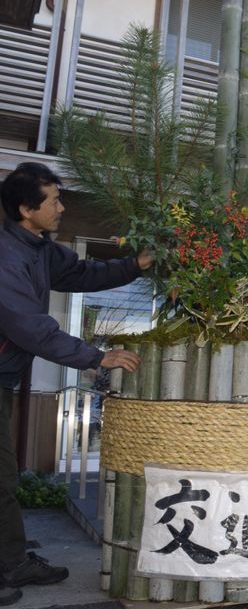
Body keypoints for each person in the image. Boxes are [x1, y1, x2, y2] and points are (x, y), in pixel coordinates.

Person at [0, 163, 150, 603]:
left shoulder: (40, 250)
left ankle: (13, 562)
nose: (62, 208)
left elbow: (85, 274)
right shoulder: (7, 257)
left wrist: (137, 265)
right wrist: (96, 356)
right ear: (27, 209)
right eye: (54, 200)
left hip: (3, 379)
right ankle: (10, 565)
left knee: (4, 479)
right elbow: (31, 327)